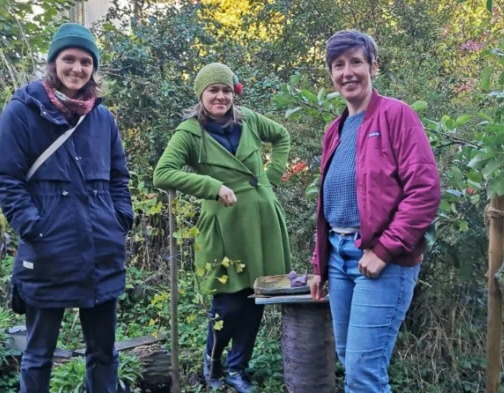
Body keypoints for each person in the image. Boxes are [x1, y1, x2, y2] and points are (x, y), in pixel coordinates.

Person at [0, 23, 133, 393]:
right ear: (53, 63)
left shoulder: (102, 118)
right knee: (39, 354)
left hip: (101, 249)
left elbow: (120, 176)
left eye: (86, 61)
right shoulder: (22, 111)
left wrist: (120, 219)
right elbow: (6, 178)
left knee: (103, 352)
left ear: (93, 69)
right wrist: (33, 226)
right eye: (69, 59)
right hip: (47, 251)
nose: (77, 68)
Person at [309, 30, 441, 392]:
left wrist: (383, 250)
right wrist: (319, 264)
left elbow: (425, 190)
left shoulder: (397, 115)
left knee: (363, 374)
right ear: (331, 74)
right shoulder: (334, 130)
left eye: (356, 62)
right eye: (338, 65)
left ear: (373, 67)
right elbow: (329, 204)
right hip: (338, 258)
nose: (347, 72)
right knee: (349, 358)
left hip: (384, 261)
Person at [153, 63, 291, 393]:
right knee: (227, 303)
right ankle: (212, 362)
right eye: (213, 90)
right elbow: (163, 174)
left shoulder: (249, 120)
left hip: (263, 223)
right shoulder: (189, 132)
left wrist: (271, 179)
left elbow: (282, 136)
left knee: (258, 296)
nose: (221, 96)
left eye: (226, 90)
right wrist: (211, 186)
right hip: (225, 226)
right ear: (201, 94)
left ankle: (237, 369)